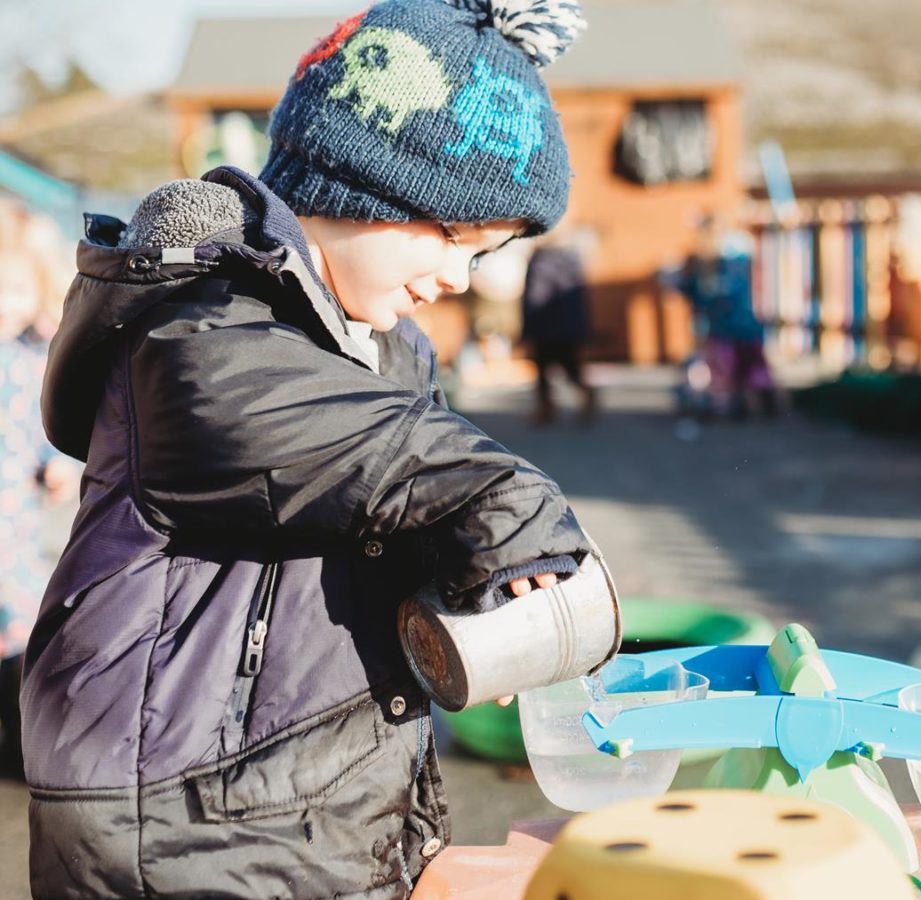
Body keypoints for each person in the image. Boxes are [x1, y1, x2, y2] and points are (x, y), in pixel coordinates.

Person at [24, 1, 601, 895]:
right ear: (356, 186)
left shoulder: (391, 349)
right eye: (455, 236)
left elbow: (392, 504)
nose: (459, 277)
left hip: (326, 800)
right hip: (180, 820)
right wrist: (497, 494)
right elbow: (355, 444)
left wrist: (471, 591)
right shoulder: (199, 321)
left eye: (486, 259)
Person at [0, 212, 76, 777]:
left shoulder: (31, 357)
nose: (5, 302)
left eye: (17, 289)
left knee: (20, 629)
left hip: (14, 525)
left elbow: (47, 426)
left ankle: (19, 746)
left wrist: (56, 467)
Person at [671, 214, 777, 419]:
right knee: (741, 368)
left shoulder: (727, 259)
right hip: (735, 325)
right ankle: (739, 404)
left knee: (735, 367)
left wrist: (694, 290)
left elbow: (709, 294)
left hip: (732, 325)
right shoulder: (718, 261)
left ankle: (737, 404)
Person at [520, 236, 597, 425]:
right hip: (569, 325)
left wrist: (527, 328)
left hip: (544, 324)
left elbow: (534, 296)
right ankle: (585, 391)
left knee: (542, 368)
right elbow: (579, 297)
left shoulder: (540, 261)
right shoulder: (573, 260)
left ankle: (546, 408)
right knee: (570, 365)